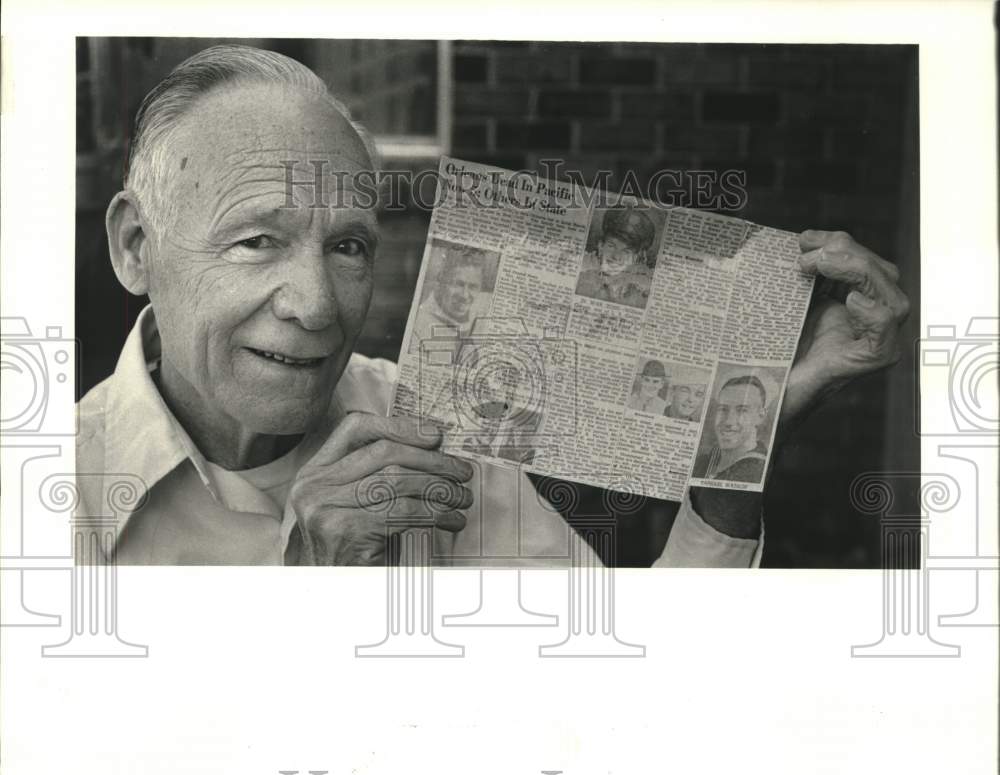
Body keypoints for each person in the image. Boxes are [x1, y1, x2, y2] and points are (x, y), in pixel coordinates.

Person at [77, 45, 912, 568]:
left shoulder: (437, 430)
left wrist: (740, 450)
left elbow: (629, 693)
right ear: (134, 248)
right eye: (256, 241)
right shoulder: (53, 493)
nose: (318, 306)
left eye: (350, 246)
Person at [693, 375, 770, 483]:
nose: (728, 421)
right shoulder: (701, 463)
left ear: (760, 416)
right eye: (723, 409)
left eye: (742, 410)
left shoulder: (761, 471)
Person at [575, 207, 657, 308]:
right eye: (611, 246)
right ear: (600, 246)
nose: (616, 257)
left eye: (626, 251)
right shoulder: (579, 265)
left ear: (634, 258)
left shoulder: (644, 283)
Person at [409, 251, 491, 352]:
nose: (464, 295)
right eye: (458, 284)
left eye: (473, 287)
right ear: (441, 281)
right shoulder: (417, 324)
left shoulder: (486, 306)